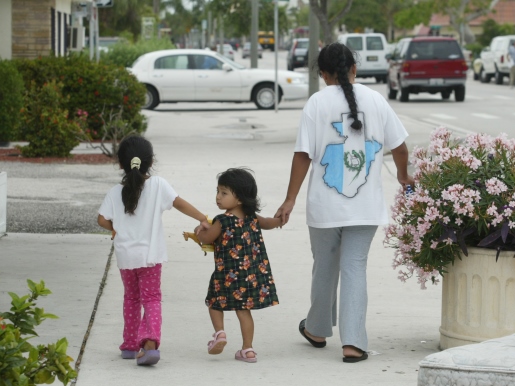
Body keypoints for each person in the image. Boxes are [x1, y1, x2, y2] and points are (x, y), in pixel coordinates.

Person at [274, 42, 414, 363]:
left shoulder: (316, 103)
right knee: (354, 268)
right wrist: (404, 177)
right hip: (365, 207)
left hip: (324, 207)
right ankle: (353, 343)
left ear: (323, 74)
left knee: (324, 266)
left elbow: (302, 155)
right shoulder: (376, 100)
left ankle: (318, 329)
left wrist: (290, 199)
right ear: (354, 69)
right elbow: (400, 148)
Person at [97, 135, 210, 366]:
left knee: (131, 298)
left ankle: (129, 346)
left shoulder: (115, 192)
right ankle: (149, 345)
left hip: (125, 258)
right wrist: (202, 218)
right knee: (151, 298)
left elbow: (101, 219)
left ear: (121, 164)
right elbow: (179, 203)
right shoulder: (158, 185)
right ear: (151, 161)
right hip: (150, 258)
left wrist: (115, 229)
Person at [195, 168, 280, 363]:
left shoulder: (222, 220)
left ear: (240, 198)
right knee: (244, 311)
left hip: (225, 275)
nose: (218, 197)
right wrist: (279, 221)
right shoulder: (253, 218)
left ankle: (220, 334)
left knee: (214, 303)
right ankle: (248, 349)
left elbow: (206, 237)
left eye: (224, 193)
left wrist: (198, 231)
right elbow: (268, 222)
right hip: (249, 279)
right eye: (217, 191)